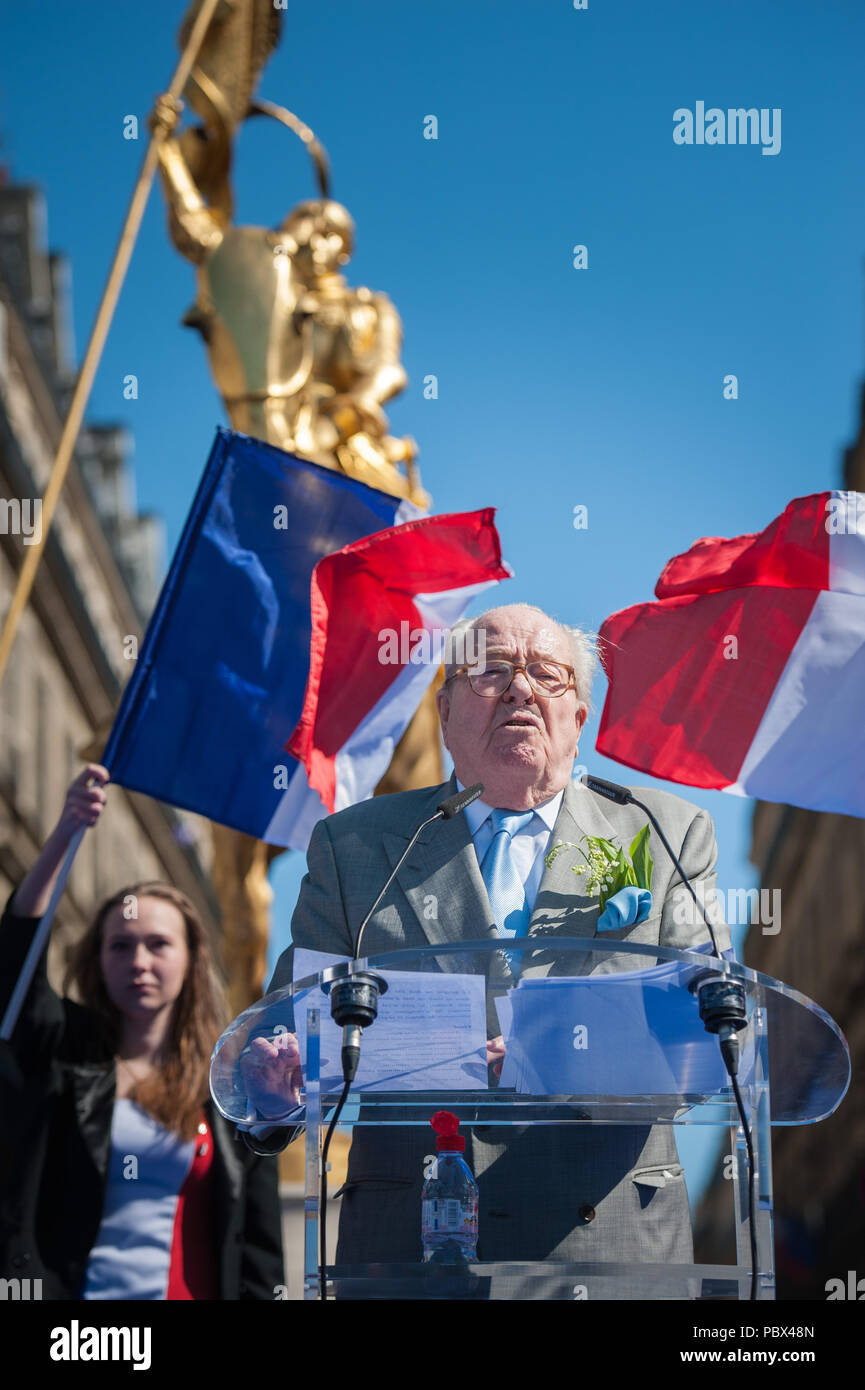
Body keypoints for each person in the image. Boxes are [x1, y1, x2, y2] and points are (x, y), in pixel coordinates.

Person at [252, 603, 732, 1274]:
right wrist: (274, 1085)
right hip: (413, 1243)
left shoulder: (665, 833)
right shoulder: (354, 845)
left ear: (578, 720)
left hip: (607, 1240)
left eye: (546, 674)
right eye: (490, 671)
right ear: (443, 711)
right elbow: (290, 1026)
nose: (519, 688)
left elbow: (707, 1032)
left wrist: (561, 1052)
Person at [0, 765, 284, 1300]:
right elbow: (16, 964)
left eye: (158, 945)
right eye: (121, 946)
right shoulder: (63, 1054)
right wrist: (64, 833)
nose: (139, 962)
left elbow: (259, 1252)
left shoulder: (229, 1091)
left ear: (190, 961)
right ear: (97, 959)